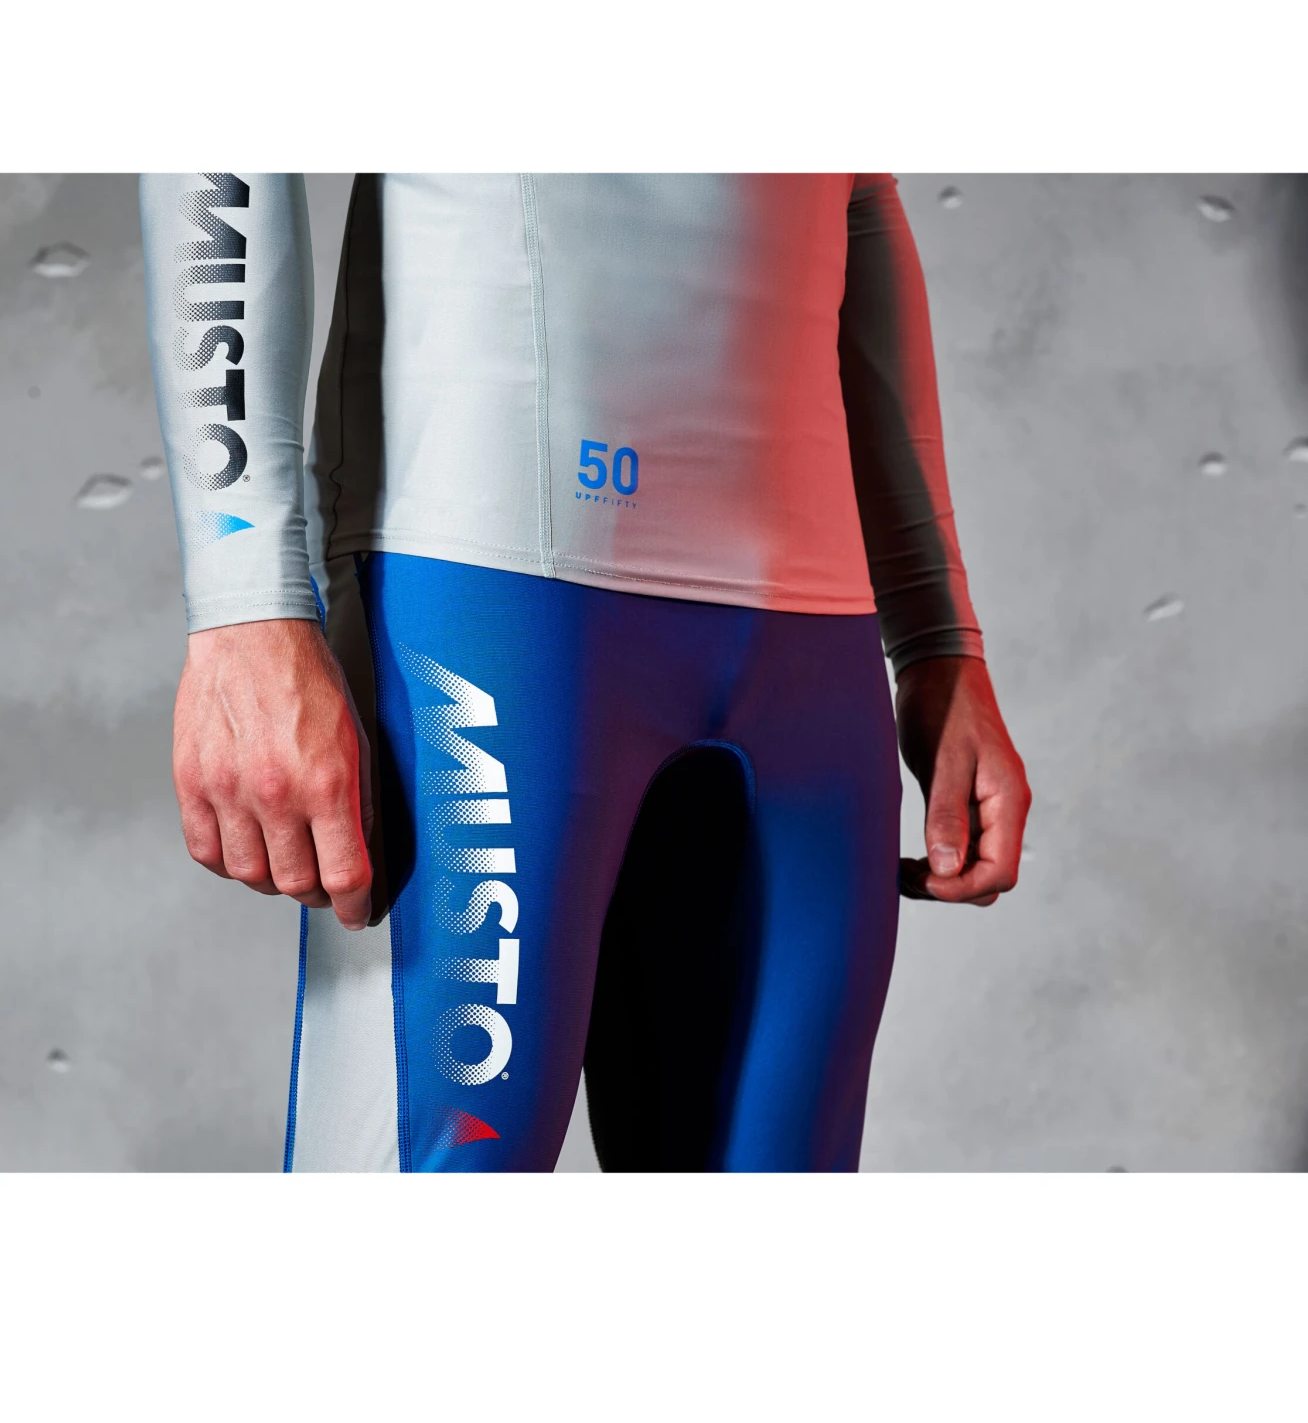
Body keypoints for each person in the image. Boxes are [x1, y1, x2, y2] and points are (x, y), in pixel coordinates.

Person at [139, 173, 1030, 1172]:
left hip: (810, 643)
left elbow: (858, 193)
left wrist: (938, 642)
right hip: (493, 598)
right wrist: (244, 603)